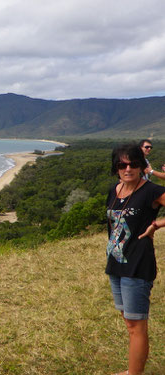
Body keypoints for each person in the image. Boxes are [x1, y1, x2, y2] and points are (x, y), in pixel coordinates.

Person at [107, 143, 165, 375]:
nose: (128, 168)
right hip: (116, 264)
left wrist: (156, 225)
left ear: (141, 166)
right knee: (129, 322)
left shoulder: (151, 191)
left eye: (133, 164)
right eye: (122, 164)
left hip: (138, 266)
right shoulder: (114, 190)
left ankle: (134, 374)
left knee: (136, 326)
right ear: (116, 167)